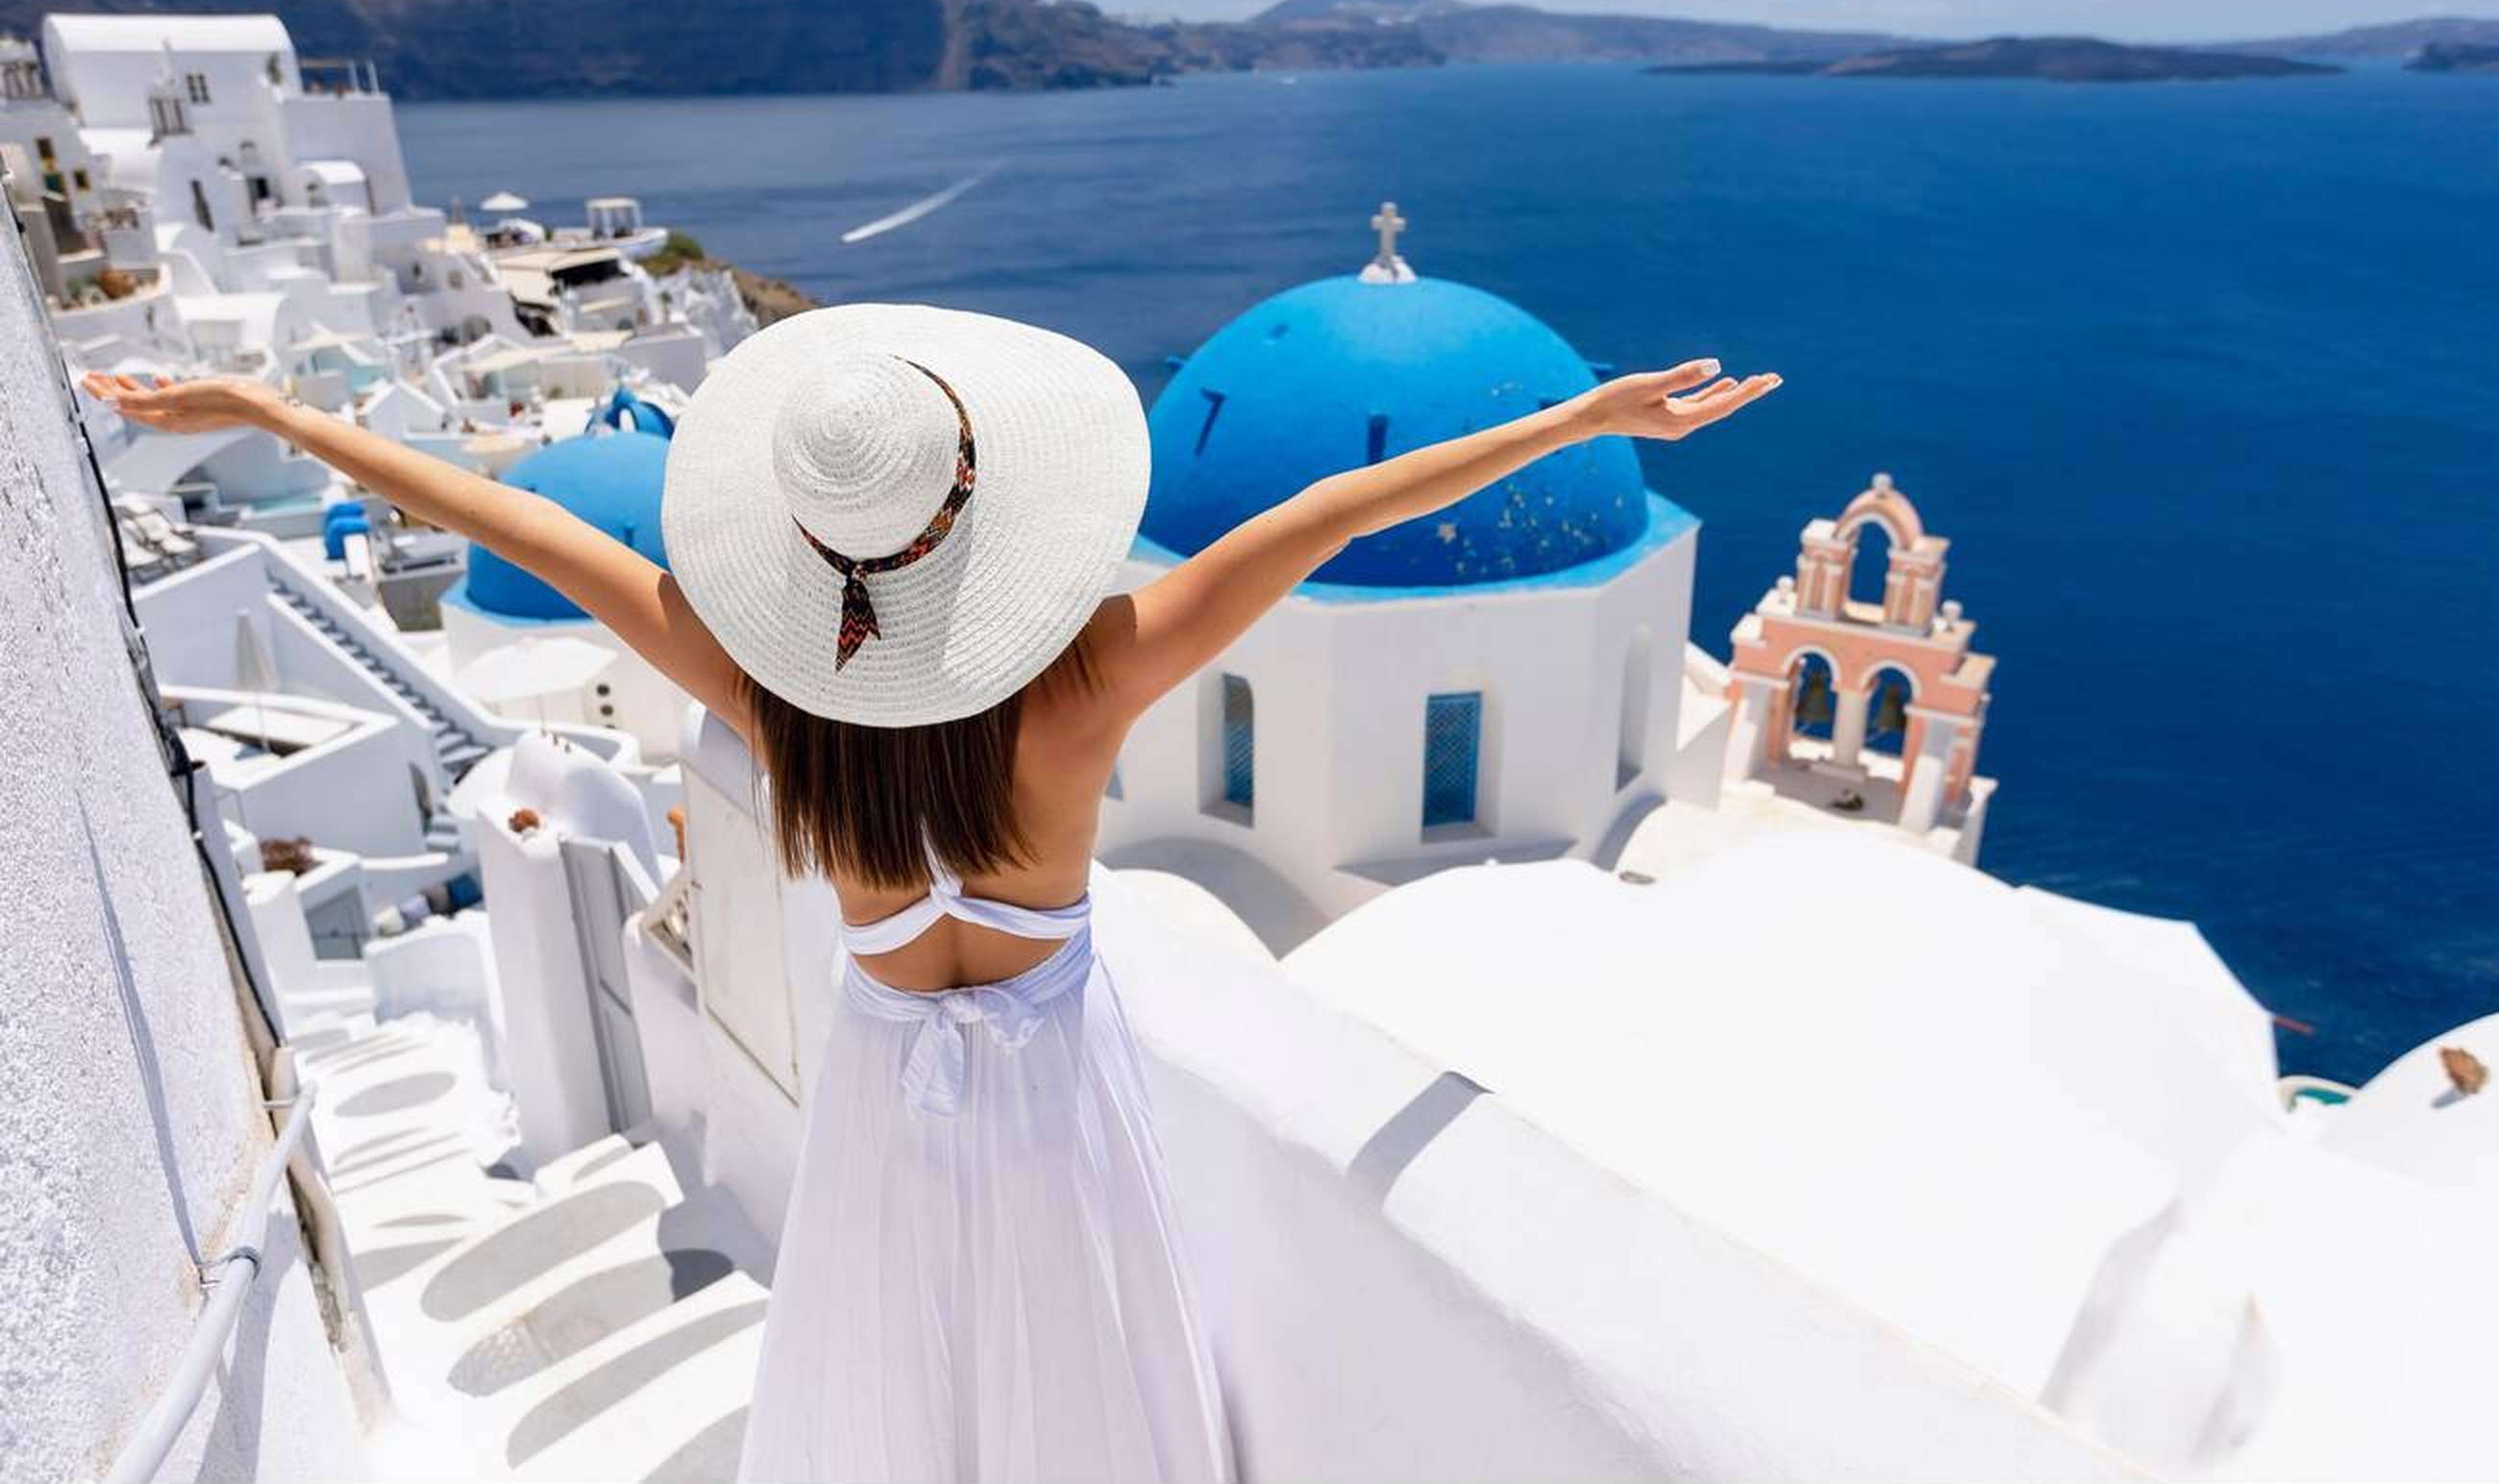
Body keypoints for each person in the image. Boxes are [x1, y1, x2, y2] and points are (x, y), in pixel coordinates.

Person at [87, 305, 1777, 1482]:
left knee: (904, 1396)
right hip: (1058, 1099)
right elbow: (1331, 512)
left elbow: (521, 525)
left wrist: (274, 419)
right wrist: (1583, 420)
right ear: (979, 513)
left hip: (887, 1100)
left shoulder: (776, 699)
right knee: (1079, 1388)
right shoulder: (1089, 678)